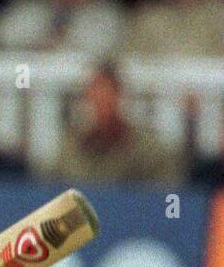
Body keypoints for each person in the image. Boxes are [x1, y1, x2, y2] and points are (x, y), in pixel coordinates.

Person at [47, 64, 183, 183]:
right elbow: (54, 187)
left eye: (108, 91)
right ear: (88, 95)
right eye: (97, 91)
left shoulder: (144, 147)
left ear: (119, 94)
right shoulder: (72, 147)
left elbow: (164, 188)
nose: (102, 99)